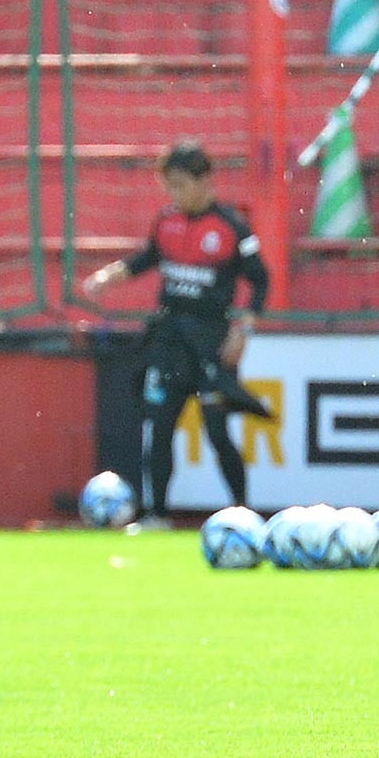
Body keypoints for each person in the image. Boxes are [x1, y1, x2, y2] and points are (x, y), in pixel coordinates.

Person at [81, 139, 270, 529]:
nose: (174, 193)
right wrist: (109, 276)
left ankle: (243, 513)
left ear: (205, 181)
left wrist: (243, 330)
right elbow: (148, 258)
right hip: (169, 342)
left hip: (210, 343)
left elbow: (260, 280)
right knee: (160, 426)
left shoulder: (231, 227)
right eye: (169, 186)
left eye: (180, 185)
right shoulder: (166, 222)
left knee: (217, 432)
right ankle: (158, 515)